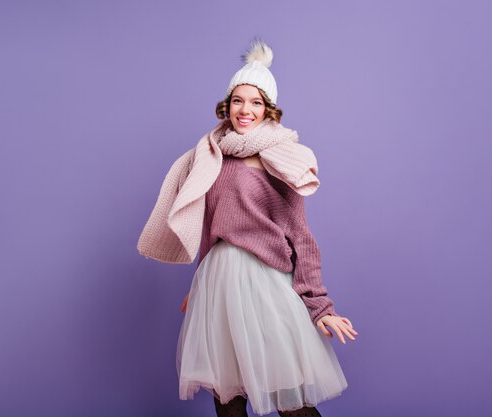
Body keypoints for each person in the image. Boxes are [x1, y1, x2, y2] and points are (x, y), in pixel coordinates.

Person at [137, 39, 358, 417]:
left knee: (292, 402)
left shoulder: (279, 158)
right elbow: (207, 226)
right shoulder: (209, 156)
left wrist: (320, 307)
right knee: (228, 399)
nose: (246, 110)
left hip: (263, 283)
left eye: (256, 102)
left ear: (269, 110)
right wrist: (199, 284)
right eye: (239, 100)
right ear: (227, 104)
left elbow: (300, 236)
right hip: (217, 283)